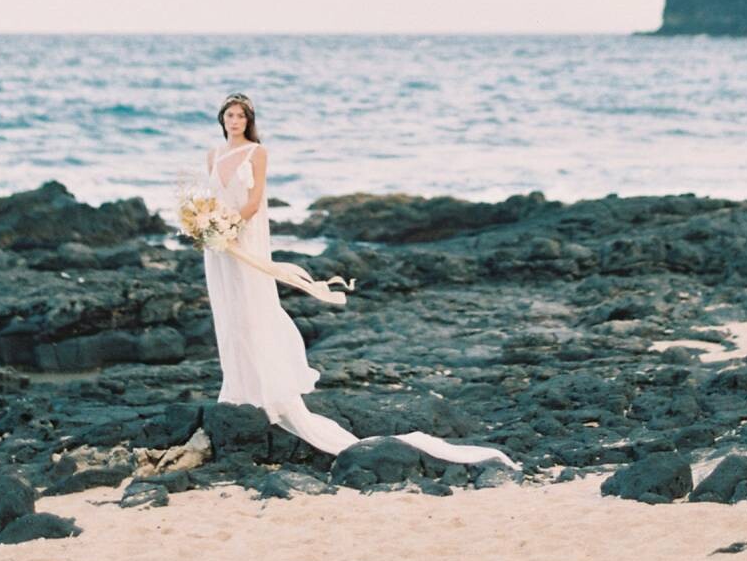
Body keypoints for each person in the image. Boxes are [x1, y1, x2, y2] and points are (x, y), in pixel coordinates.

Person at [200, 93, 519, 468]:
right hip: (219, 247)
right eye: (229, 115)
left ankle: (263, 391)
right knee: (228, 312)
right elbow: (210, 200)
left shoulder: (257, 152)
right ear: (221, 119)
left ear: (248, 120)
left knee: (252, 309)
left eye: (240, 115)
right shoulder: (212, 155)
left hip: (244, 240)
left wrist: (230, 226)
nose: (234, 120)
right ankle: (236, 388)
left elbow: (254, 202)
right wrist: (206, 226)